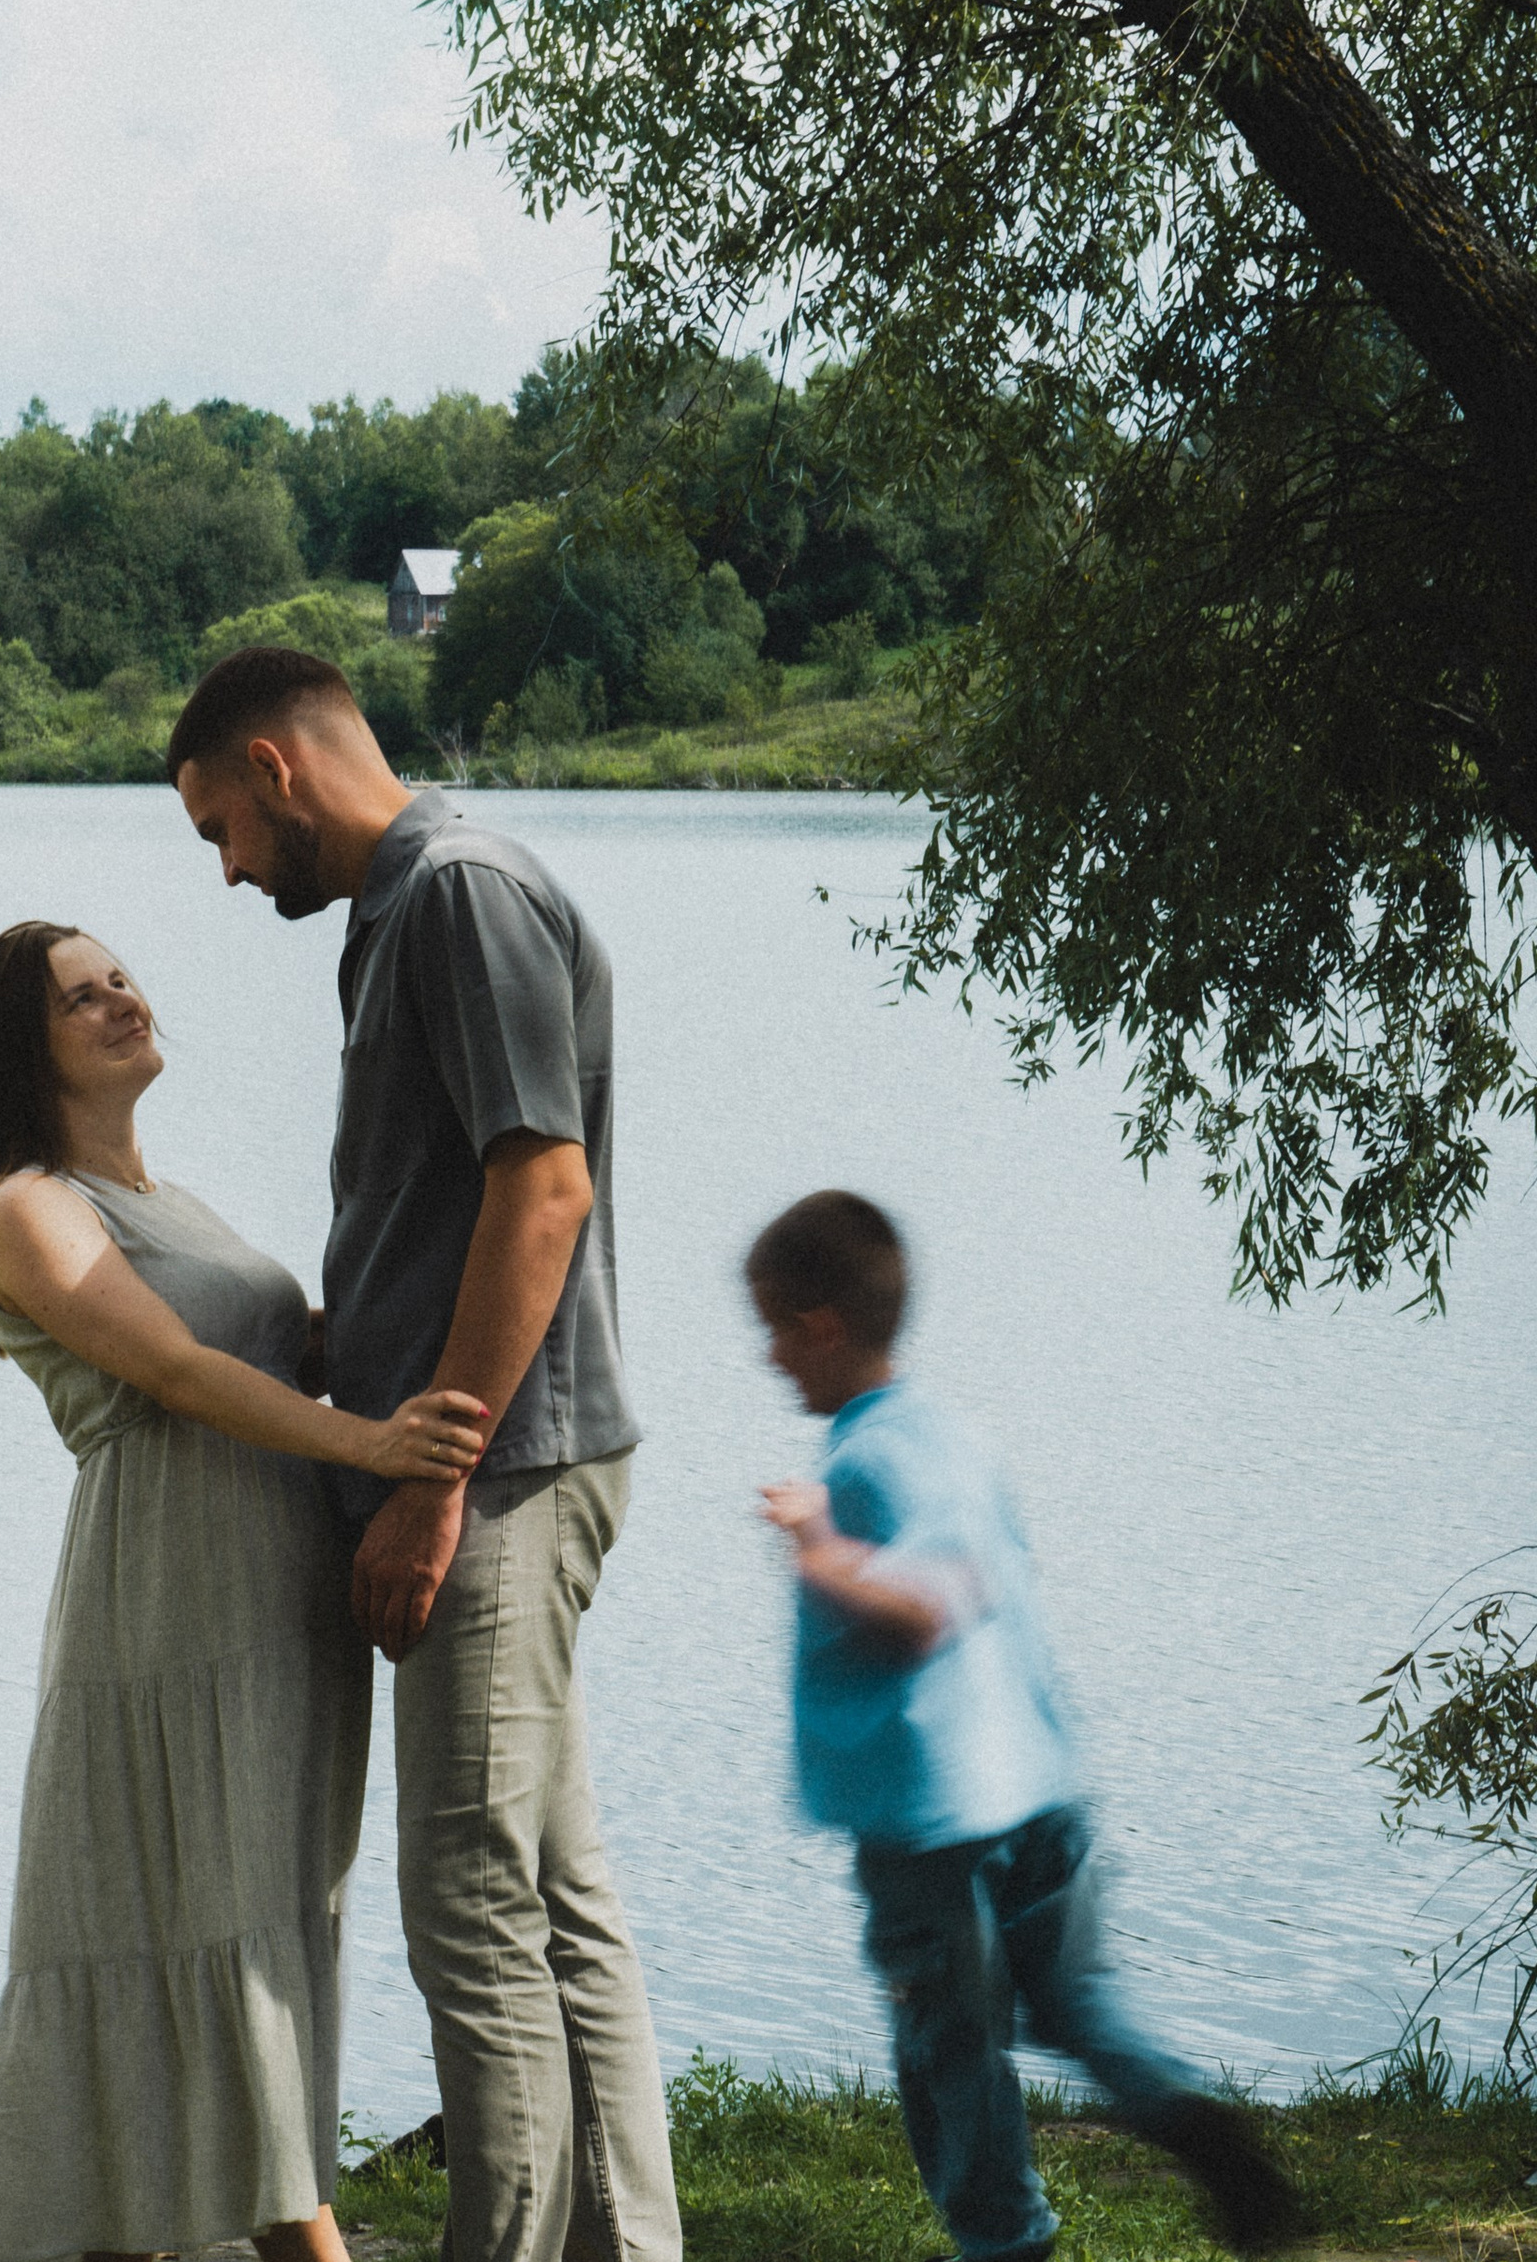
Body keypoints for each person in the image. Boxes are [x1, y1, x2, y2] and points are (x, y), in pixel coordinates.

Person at [166, 646, 682, 2262]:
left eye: (219, 834)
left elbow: (545, 1188)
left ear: (275, 766)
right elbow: (450, 1200)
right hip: (501, 1453)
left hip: (501, 1475)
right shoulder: (400, 914)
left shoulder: (454, 893)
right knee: (555, 1893)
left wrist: (429, 1478)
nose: (232, 875)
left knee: (465, 1907)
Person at [0, 920, 489, 2262]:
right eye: (83, 997)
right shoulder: (24, 1210)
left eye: (119, 977)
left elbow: (277, 1342)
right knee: (192, 1916)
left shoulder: (170, 1201)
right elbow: (177, 1373)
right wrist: (371, 1443)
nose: (124, 999)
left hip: (277, 1602)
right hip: (166, 1602)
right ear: (29, 1049)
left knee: (262, 1915)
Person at [747, 1189, 1302, 2262]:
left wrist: (818, 1551)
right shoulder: (951, 1432)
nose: (769, 1356)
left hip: (930, 1824)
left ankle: (1004, 2243)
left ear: (820, 1325)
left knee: (948, 2046)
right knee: (1078, 2005)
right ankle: (1190, 2120)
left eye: (774, 1326)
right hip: (1038, 1789)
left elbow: (926, 1602)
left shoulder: (859, 1465)